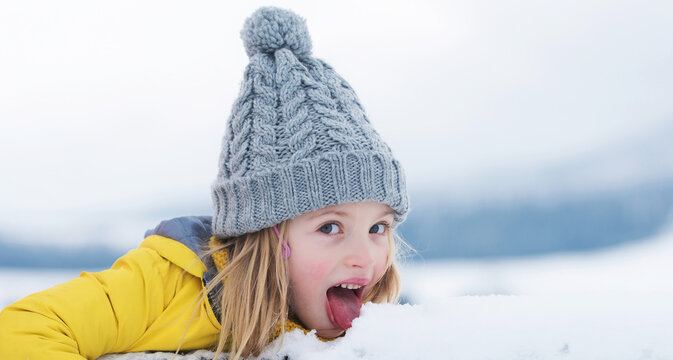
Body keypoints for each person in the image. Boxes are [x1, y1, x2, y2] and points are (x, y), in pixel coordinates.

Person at [0, 6, 409, 360]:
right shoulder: (165, 284)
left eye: (378, 228)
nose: (365, 258)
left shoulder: (342, 318)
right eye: (330, 227)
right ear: (267, 235)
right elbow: (23, 329)